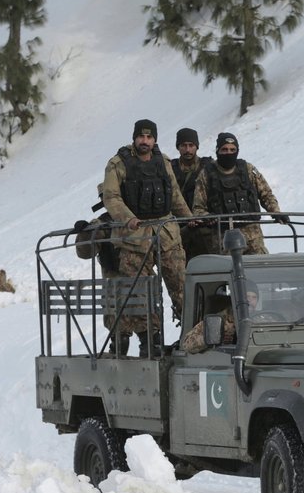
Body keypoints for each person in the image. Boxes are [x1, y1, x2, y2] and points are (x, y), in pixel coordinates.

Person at [96, 118, 194, 356]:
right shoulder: (118, 164)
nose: (145, 141)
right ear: (134, 138)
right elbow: (111, 197)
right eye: (141, 137)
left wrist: (189, 217)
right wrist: (128, 218)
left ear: (155, 139)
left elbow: (174, 195)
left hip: (166, 232)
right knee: (140, 292)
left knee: (181, 285)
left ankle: (192, 337)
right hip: (134, 236)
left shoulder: (164, 162)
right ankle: (150, 341)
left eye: (150, 137)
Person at [192, 132, 288, 255]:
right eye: (224, 149)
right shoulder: (206, 175)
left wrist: (276, 212)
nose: (228, 153)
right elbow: (198, 209)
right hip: (224, 239)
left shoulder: (247, 170)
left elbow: (266, 194)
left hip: (253, 237)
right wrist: (208, 218)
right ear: (217, 151)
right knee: (228, 272)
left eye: (232, 150)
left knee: (260, 269)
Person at [171, 127, 213, 261]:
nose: (188, 150)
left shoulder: (208, 167)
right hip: (178, 227)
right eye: (184, 145)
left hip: (204, 226)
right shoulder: (170, 169)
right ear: (178, 147)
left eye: (191, 145)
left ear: (197, 146)